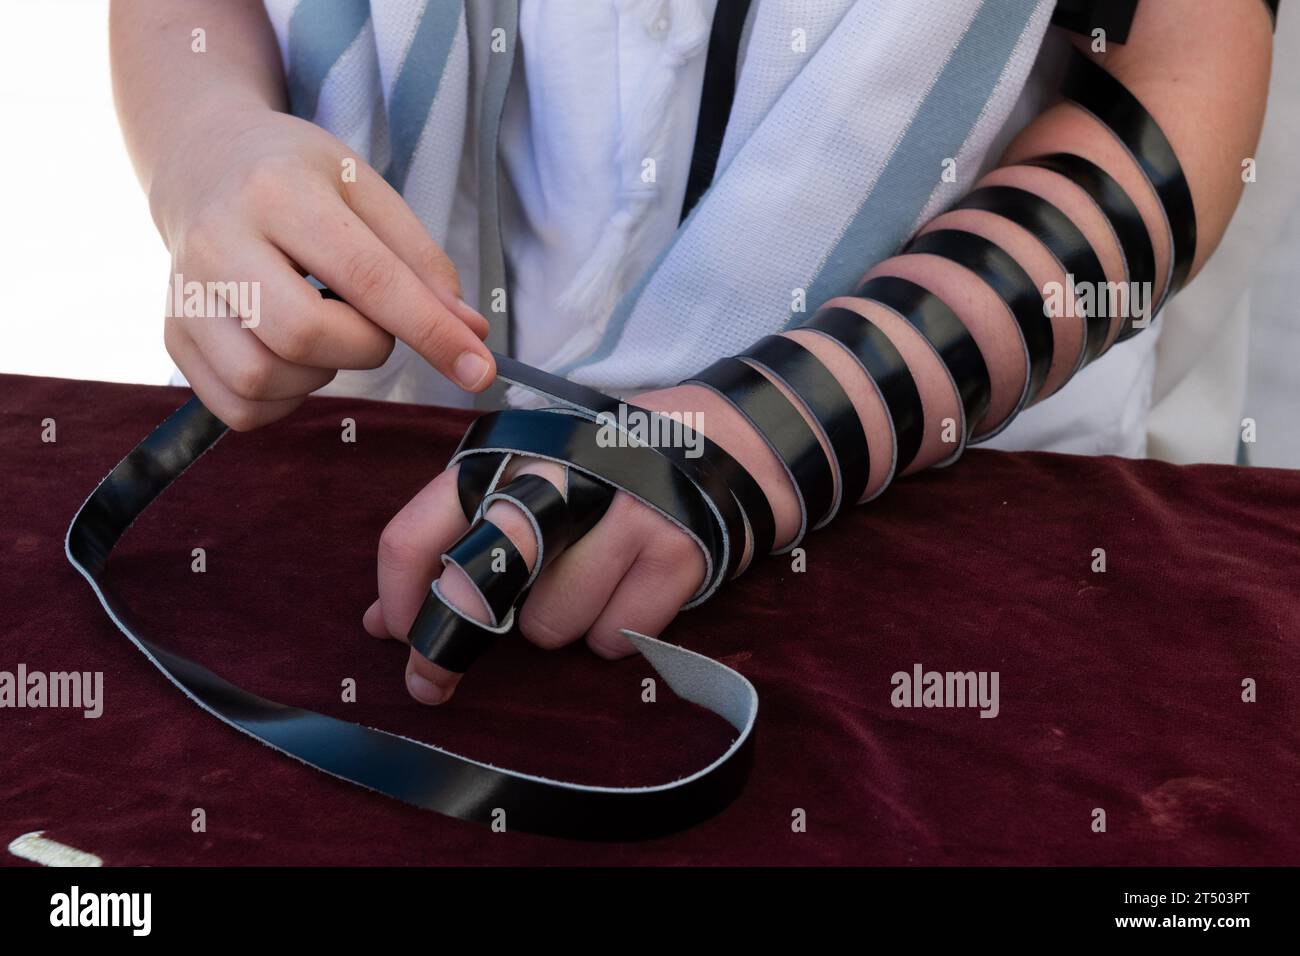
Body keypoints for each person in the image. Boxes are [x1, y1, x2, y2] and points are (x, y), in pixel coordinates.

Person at [110, 0, 1275, 705]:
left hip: (923, 493)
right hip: (360, 467)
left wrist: (787, 423)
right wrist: (204, 148)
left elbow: (1180, 65)